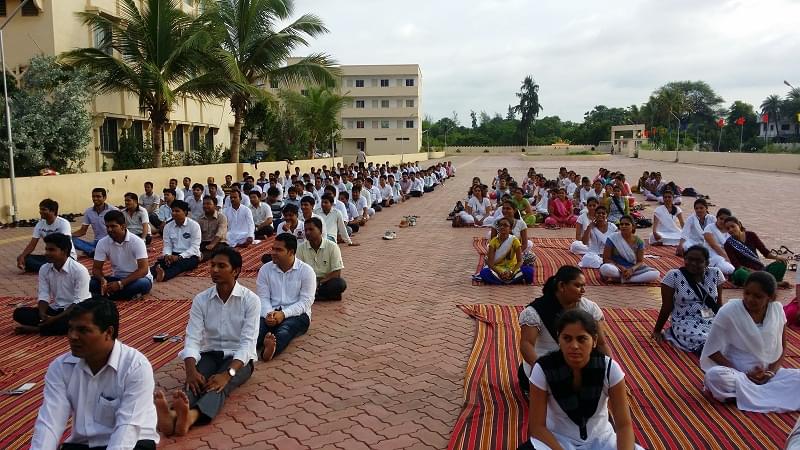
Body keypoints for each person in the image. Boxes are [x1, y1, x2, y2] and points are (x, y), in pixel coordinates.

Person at [156, 247, 260, 437]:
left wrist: (227, 375)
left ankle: (191, 417)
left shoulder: (250, 301)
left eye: (222, 266)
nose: (214, 270)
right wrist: (190, 370)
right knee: (195, 382)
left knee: (218, 385)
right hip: (210, 354)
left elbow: (247, 344)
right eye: (212, 265)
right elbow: (193, 338)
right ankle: (172, 414)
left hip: (238, 361)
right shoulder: (201, 300)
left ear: (235, 271)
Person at [31, 298, 159, 449]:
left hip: (132, 443)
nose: (72, 336)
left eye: (83, 330)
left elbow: (128, 427)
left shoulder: (136, 366)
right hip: (84, 445)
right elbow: (50, 421)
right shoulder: (60, 367)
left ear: (108, 332)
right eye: (70, 328)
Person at [522, 309, 641, 450]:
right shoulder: (543, 369)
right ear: (558, 339)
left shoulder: (609, 369)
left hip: (602, 441)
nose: (574, 346)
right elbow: (537, 427)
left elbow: (623, 425)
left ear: (594, 341)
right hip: (558, 441)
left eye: (582, 339)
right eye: (567, 338)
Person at [701, 271, 800, 413]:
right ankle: (768, 394)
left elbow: (783, 346)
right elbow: (712, 350)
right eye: (747, 293)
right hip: (737, 373)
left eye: (757, 296)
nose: (750, 299)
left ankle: (748, 395)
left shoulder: (777, 310)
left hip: (768, 375)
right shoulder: (729, 311)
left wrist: (771, 372)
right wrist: (744, 373)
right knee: (715, 377)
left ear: (770, 298)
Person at [517, 266, 609, 393]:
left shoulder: (590, 308)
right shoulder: (535, 311)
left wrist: (610, 374)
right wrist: (541, 370)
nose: (583, 291)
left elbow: (601, 344)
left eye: (583, 286)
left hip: (579, 364)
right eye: (577, 285)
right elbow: (526, 345)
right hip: (546, 365)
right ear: (561, 286)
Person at [13, 233, 90, 335]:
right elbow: (44, 295)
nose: (46, 253)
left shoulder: (79, 270)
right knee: (19, 313)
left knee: (78, 321)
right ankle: (48, 327)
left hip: (75, 311)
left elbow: (79, 302)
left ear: (64, 251)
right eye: (46, 249)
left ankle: (39, 329)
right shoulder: (45, 269)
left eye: (51, 250)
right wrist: (42, 314)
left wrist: (54, 319)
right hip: (56, 309)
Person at [652, 245, 724, 353]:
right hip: (684, 320)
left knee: (728, 338)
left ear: (707, 263)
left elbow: (718, 304)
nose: (693, 263)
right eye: (689, 259)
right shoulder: (673, 276)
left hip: (709, 317)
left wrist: (725, 323)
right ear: (684, 259)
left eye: (699, 261)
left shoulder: (715, 274)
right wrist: (657, 330)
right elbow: (666, 307)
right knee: (704, 340)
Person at [255, 233, 316, 361]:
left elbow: (306, 302)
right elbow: (263, 297)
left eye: (279, 250)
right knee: (256, 331)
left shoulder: (306, 271)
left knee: (285, 330)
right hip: (270, 313)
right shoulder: (265, 270)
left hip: (297, 314)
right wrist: (269, 314)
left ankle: (269, 352)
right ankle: (242, 353)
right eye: (273, 249)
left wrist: (283, 314)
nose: (273, 253)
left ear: (291, 252)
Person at [90, 210, 153, 301]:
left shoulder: (137, 242)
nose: (109, 230)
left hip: (137, 279)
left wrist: (121, 284)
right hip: (116, 278)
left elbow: (143, 270)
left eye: (113, 226)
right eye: (107, 226)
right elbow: (96, 269)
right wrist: (102, 280)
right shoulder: (102, 242)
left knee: (143, 284)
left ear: (123, 226)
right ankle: (121, 295)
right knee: (90, 283)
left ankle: (104, 296)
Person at [723, 216, 789, 287]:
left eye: (733, 226)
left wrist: (777, 257)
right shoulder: (728, 244)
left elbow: (765, 252)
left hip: (760, 270)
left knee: (781, 263)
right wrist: (752, 272)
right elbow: (736, 265)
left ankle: (767, 283)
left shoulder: (751, 235)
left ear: (739, 224)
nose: (731, 230)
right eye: (728, 229)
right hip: (745, 272)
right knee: (739, 273)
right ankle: (773, 283)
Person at [17, 199, 77, 273]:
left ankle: (50, 267)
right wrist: (22, 256)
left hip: (65, 256)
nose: (40, 212)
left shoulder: (63, 223)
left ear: (53, 211)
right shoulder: (40, 224)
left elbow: (65, 244)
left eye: (44, 209)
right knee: (24, 258)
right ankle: (50, 267)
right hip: (50, 256)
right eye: (40, 209)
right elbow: (32, 244)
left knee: (55, 262)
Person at [296, 218, 347, 301]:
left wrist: (319, 283)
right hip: (308, 282)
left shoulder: (332, 247)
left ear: (320, 230)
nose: (308, 232)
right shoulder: (300, 248)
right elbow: (298, 271)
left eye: (311, 229)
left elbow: (337, 272)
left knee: (340, 284)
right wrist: (311, 283)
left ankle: (313, 295)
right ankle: (321, 296)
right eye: (306, 230)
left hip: (325, 281)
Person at [150, 200, 201, 282]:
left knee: (179, 265)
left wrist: (179, 257)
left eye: (177, 211)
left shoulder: (194, 226)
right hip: (173, 254)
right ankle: (148, 275)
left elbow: (194, 247)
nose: (174, 213)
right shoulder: (168, 226)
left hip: (190, 255)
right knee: (160, 264)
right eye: (172, 211)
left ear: (185, 212)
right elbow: (167, 245)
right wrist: (167, 255)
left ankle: (164, 275)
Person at [600, 215, 660, 283]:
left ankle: (623, 280)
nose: (623, 226)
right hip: (616, 267)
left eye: (627, 224)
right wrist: (620, 267)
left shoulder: (639, 241)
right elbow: (606, 259)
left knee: (655, 274)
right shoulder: (612, 238)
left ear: (633, 226)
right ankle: (630, 279)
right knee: (606, 269)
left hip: (632, 268)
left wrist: (632, 269)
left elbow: (640, 261)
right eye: (621, 224)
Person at [478, 218, 534, 285]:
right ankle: (512, 280)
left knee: (529, 271)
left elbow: (520, 261)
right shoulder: (493, 242)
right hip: (498, 268)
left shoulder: (514, 240)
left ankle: (501, 281)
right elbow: (490, 263)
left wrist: (511, 272)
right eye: (500, 225)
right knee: (484, 273)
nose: (502, 227)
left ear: (510, 229)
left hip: (513, 268)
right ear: (498, 228)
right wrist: (499, 272)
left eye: (505, 225)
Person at [72, 188, 116, 256]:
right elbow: (82, 231)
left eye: (98, 196)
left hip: (111, 241)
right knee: (70, 240)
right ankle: (93, 251)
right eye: (93, 196)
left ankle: (92, 251)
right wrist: (67, 235)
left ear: (104, 198)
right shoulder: (88, 212)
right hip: (96, 242)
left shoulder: (113, 210)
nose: (95, 199)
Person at [702, 208, 735, 275]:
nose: (723, 221)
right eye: (721, 218)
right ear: (717, 218)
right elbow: (715, 246)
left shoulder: (730, 231)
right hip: (712, 256)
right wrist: (728, 259)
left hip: (728, 256)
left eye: (725, 220)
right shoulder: (709, 228)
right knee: (729, 269)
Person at [198, 196, 228, 261]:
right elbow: (198, 234)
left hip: (218, 242)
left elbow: (220, 233)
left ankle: (201, 257)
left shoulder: (222, 217)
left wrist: (212, 244)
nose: (205, 206)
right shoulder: (200, 218)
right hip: (204, 242)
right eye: (204, 204)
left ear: (215, 205)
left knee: (219, 249)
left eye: (208, 204)